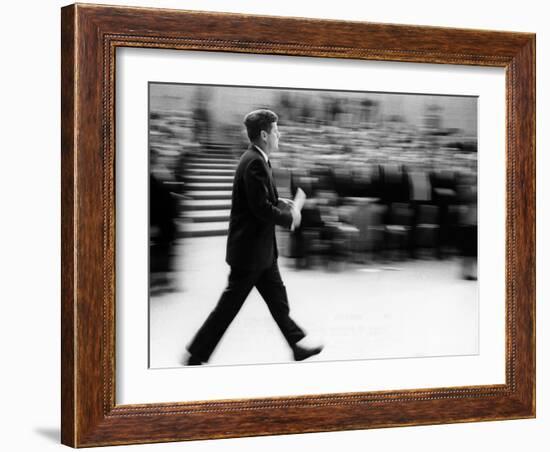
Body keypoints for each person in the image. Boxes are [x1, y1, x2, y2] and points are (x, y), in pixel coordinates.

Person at [184, 109, 323, 365]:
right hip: (250, 254)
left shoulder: (258, 159)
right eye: (276, 131)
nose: (279, 135)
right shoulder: (255, 162)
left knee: (278, 300)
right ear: (263, 134)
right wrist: (288, 217)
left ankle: (295, 345)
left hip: (261, 252)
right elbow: (259, 208)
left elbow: (258, 198)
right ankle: (196, 353)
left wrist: (279, 201)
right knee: (229, 307)